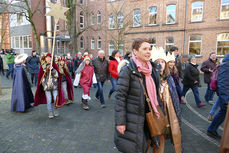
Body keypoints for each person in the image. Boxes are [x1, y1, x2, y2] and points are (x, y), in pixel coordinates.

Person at [114, 39, 163, 153]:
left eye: (149, 49)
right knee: (135, 147)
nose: (148, 52)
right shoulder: (128, 71)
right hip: (134, 118)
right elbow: (120, 97)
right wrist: (120, 122)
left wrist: (161, 112)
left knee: (148, 144)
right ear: (135, 52)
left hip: (150, 115)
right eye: (144, 49)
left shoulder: (153, 69)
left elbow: (156, 94)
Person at [151, 47, 182, 153]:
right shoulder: (149, 78)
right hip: (153, 115)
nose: (160, 64)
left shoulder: (169, 78)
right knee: (148, 142)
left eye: (162, 62)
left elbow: (174, 98)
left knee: (161, 140)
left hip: (166, 114)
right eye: (157, 62)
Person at [34, 53, 65, 119]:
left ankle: (55, 109)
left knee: (55, 98)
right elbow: (41, 78)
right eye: (47, 57)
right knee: (49, 99)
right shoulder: (42, 66)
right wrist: (44, 85)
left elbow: (57, 75)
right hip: (47, 87)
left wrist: (53, 70)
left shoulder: (54, 65)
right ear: (45, 58)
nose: (48, 58)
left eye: (49, 57)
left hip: (54, 86)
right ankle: (50, 111)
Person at [207, 53, 229, 139]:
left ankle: (212, 129)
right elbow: (223, 83)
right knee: (223, 112)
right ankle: (211, 129)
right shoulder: (227, 65)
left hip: (225, 95)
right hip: (226, 96)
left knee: (223, 113)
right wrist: (226, 100)